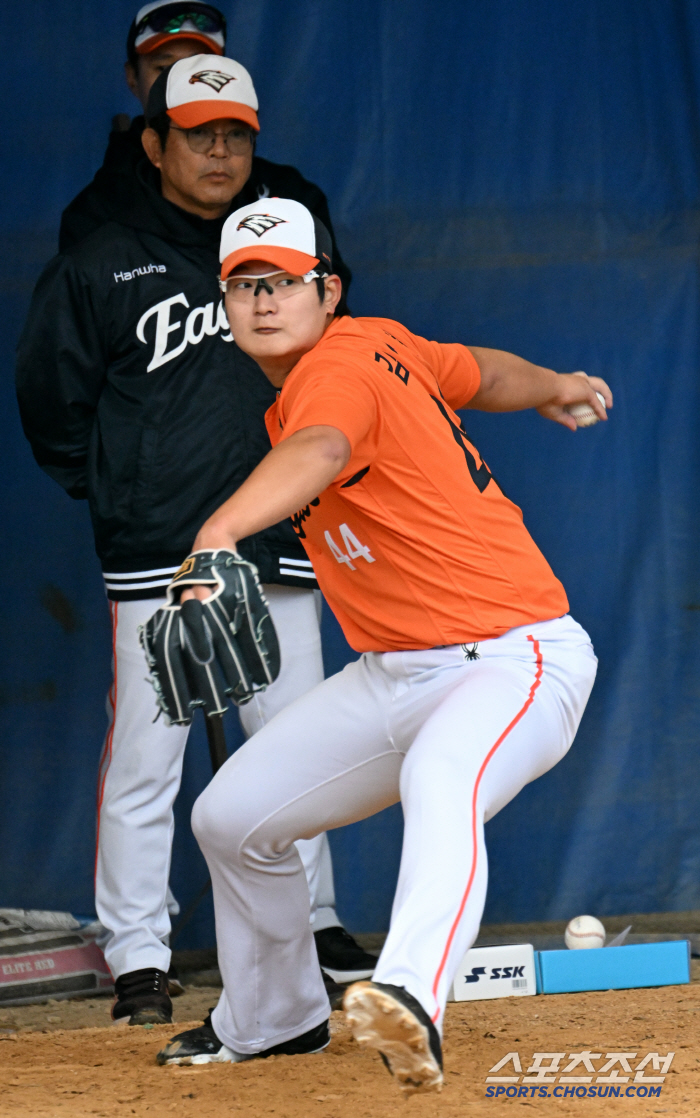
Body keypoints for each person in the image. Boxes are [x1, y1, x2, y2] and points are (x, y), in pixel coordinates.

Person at [154, 198, 607, 1088]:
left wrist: (216, 533)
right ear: (223, 304)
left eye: (283, 282)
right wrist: (553, 383)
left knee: (440, 779)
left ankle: (409, 994)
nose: (263, 301)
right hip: (395, 673)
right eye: (244, 285)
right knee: (231, 818)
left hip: (514, 657)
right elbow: (478, 370)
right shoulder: (387, 342)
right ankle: (273, 1019)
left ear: (326, 291)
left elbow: (322, 448)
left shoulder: (336, 372)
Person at [15, 60, 374, 1027]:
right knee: (146, 759)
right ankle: (138, 953)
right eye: (199, 134)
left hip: (279, 543)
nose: (220, 151)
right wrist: (124, 490)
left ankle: (303, 939)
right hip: (158, 553)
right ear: (155, 143)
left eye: (236, 135)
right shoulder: (103, 258)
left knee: (298, 752)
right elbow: (51, 401)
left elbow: (340, 373)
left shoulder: (290, 244)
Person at [58, 0, 352, 303]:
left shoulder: (292, 198)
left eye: (200, 66)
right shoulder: (99, 216)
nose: (185, 79)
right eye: (165, 67)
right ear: (132, 77)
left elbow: (332, 318)